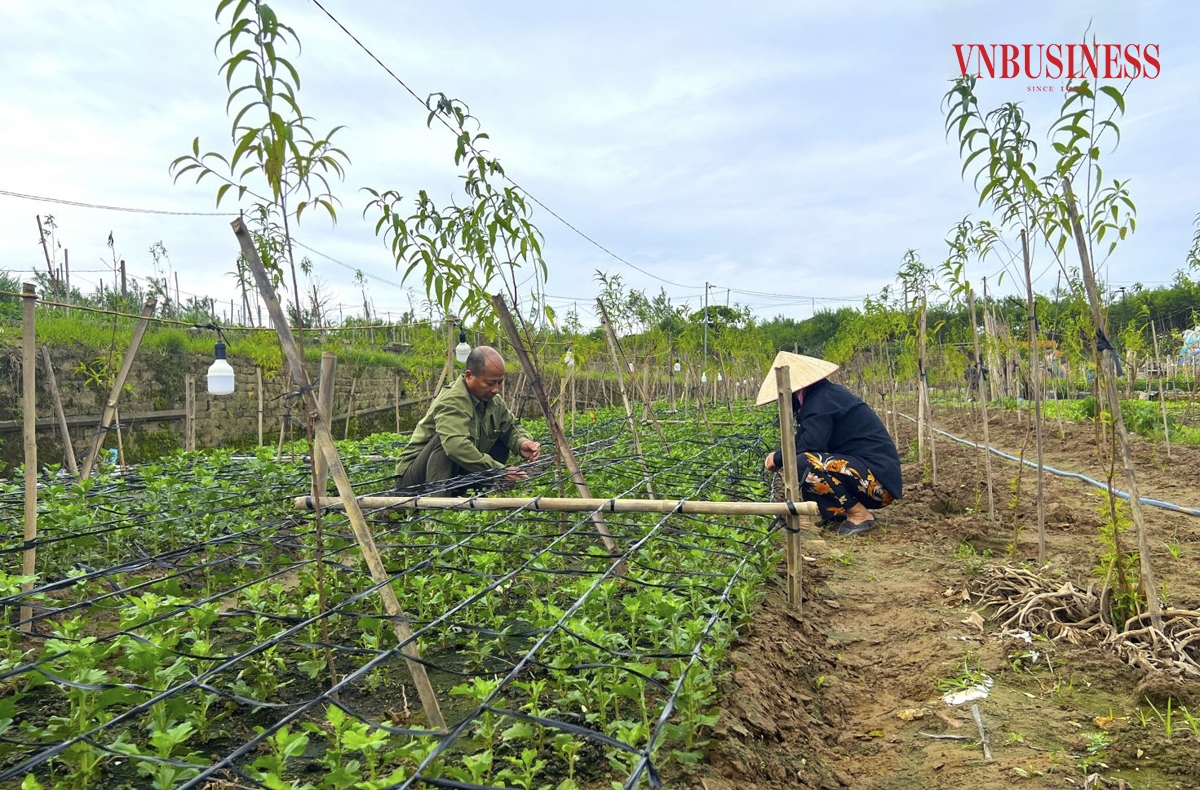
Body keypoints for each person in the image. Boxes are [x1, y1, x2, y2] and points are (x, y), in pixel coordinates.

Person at [757, 352, 902, 537]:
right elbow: (805, 438)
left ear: (793, 390)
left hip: (879, 487)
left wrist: (777, 458)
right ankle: (838, 512)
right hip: (871, 476)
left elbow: (810, 444)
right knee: (807, 460)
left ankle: (860, 515)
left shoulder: (820, 402)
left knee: (805, 461)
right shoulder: (824, 396)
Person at [395, 346, 541, 494]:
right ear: (469, 376)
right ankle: (437, 507)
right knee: (449, 441)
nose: (496, 389)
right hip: (413, 480)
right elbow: (455, 446)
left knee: (500, 441)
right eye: (490, 383)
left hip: (453, 473)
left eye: (500, 382)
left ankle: (472, 495)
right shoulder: (453, 400)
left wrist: (521, 442)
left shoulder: (494, 401)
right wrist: (499, 471)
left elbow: (510, 427)